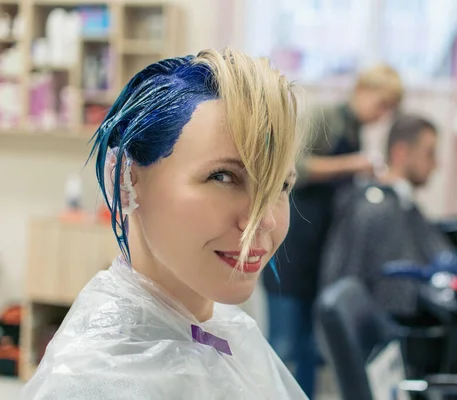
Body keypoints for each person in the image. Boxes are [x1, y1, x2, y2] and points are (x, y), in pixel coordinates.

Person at [21, 49, 307, 400]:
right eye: (223, 176)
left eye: (281, 185)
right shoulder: (89, 383)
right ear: (125, 176)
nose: (265, 220)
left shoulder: (226, 331)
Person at [262, 65, 403, 398]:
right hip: (292, 248)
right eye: (381, 104)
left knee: (311, 348)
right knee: (283, 347)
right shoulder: (326, 117)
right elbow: (296, 167)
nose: (382, 115)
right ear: (362, 90)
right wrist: (354, 163)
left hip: (320, 254)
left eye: (389, 110)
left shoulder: (353, 131)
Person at [319, 115, 457, 321]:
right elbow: (346, 289)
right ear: (401, 153)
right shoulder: (375, 209)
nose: (435, 165)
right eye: (429, 154)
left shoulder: (401, 203)